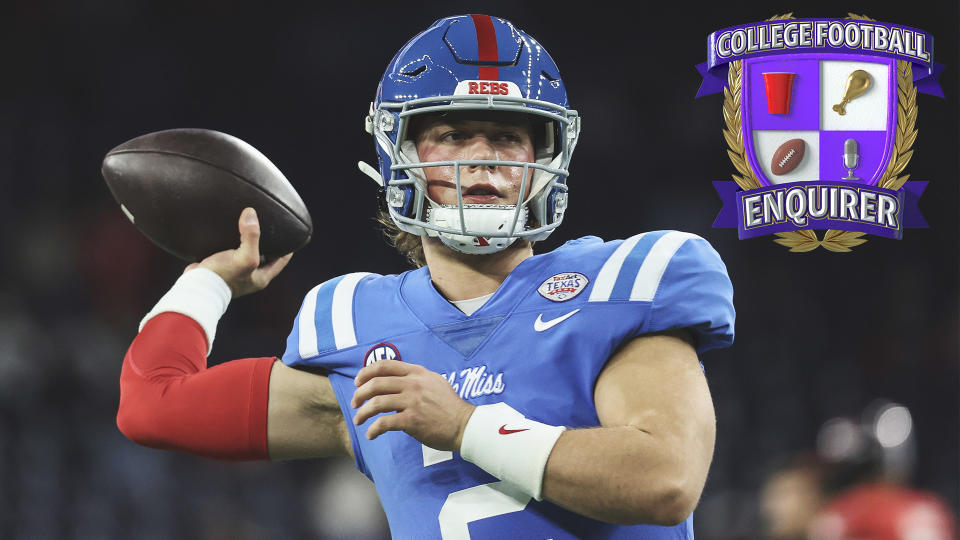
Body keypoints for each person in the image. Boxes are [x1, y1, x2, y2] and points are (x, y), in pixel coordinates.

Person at [116, 14, 735, 539]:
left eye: (506, 136)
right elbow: (153, 406)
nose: (483, 158)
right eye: (453, 134)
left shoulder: (622, 284)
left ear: (545, 156)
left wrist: (466, 426)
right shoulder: (354, 323)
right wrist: (209, 281)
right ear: (400, 155)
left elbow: (665, 480)